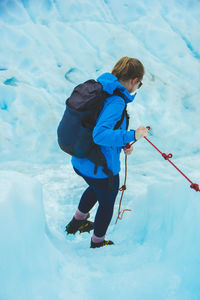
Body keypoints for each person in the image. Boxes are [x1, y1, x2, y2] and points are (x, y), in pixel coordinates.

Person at [65, 56, 148, 248]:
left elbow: (100, 128)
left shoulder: (102, 89)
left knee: (95, 189)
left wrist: (124, 142)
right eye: (139, 83)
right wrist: (132, 134)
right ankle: (98, 242)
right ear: (134, 80)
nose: (137, 87)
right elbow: (100, 135)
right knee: (107, 201)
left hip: (82, 159)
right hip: (100, 166)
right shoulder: (116, 101)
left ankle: (76, 223)